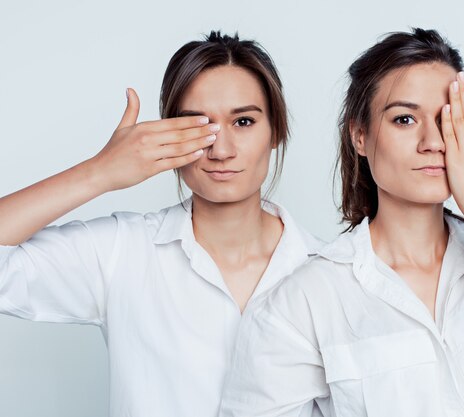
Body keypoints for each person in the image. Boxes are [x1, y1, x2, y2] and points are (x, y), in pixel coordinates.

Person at [219, 28, 464, 417]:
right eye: (405, 119)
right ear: (360, 135)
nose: (433, 141)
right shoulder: (304, 300)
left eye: (447, 119)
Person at [0, 31, 322, 417]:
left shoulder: (327, 270)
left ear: (276, 132)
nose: (221, 150)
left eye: (244, 121)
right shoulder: (124, 251)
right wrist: (99, 173)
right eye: (198, 125)